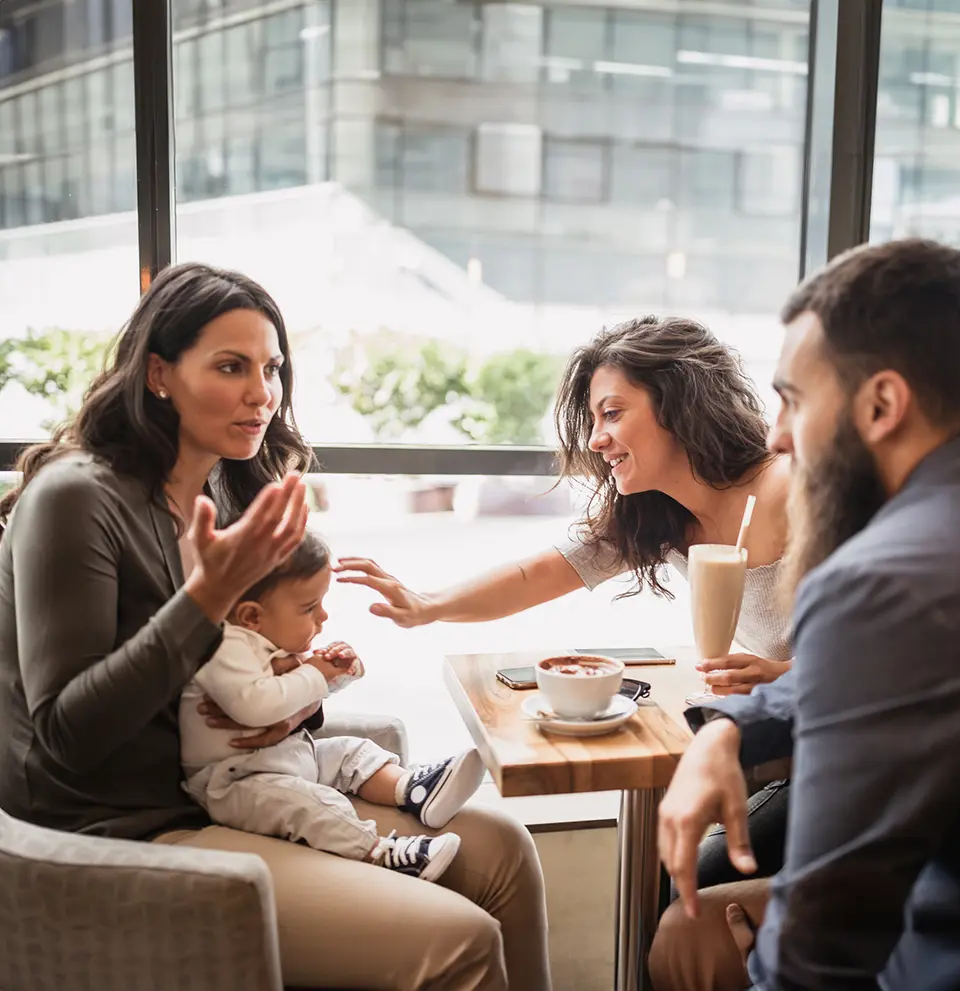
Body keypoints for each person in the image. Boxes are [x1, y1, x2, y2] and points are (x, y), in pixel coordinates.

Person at [0, 262, 551, 991]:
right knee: (461, 942)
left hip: (228, 784)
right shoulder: (76, 499)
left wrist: (298, 700)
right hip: (123, 827)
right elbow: (67, 738)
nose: (262, 394)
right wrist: (203, 601)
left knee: (504, 848)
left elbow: (258, 662)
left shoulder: (229, 489)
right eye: (231, 367)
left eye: (271, 368)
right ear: (159, 372)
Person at [337, 314, 794, 888]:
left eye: (612, 413)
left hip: (851, 754)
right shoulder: (659, 516)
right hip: (779, 745)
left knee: (685, 892)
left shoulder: (790, 489)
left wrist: (789, 673)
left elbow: (895, 639)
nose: (597, 439)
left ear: (679, 404)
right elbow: (537, 574)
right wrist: (426, 604)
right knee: (673, 888)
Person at [651, 238, 960, 991]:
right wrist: (735, 725)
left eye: (794, 401)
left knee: (684, 925)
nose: (776, 435)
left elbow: (825, 941)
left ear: (881, 404)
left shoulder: (883, 578)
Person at [180, 528, 487, 882]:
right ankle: (380, 851)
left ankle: (414, 789)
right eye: (310, 608)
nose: (323, 617)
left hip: (281, 758)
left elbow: (301, 696)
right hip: (235, 783)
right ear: (252, 616)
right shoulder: (223, 646)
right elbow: (257, 707)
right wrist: (313, 671)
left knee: (349, 751)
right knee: (308, 803)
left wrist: (340, 671)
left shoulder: (266, 638)